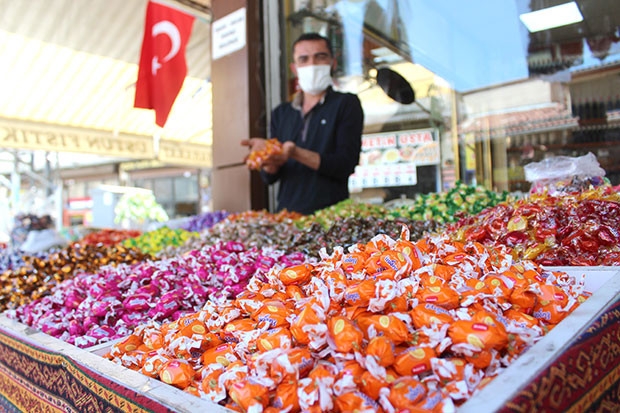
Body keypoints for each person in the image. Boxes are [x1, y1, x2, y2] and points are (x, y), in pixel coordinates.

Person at [241, 32, 364, 215]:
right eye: (303, 59)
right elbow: (270, 178)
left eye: (320, 57)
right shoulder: (281, 113)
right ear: (294, 68)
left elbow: (345, 164)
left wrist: (295, 152)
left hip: (331, 219)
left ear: (333, 62)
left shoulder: (346, 104)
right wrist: (266, 157)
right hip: (287, 218)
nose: (312, 65)